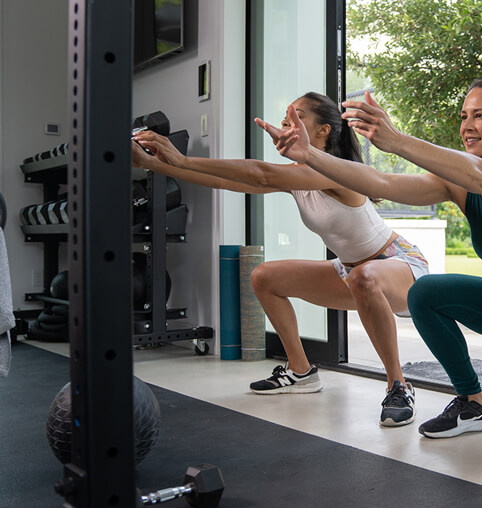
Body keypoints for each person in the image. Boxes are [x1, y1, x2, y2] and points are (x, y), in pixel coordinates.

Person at [260, 79, 482, 471]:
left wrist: (398, 141)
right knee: (426, 291)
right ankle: (474, 403)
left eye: (480, 116)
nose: (467, 125)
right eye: (464, 116)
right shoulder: (460, 187)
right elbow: (381, 183)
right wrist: (310, 155)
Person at [132, 91, 428, 428]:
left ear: (323, 131)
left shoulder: (336, 172)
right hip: (351, 272)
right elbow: (230, 181)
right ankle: (301, 371)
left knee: (366, 276)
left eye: (298, 115)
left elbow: (261, 174)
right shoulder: (298, 177)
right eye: (287, 115)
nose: (288, 120)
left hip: (398, 265)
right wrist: (156, 164)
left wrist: (181, 161)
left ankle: (398, 385)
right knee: (264, 277)